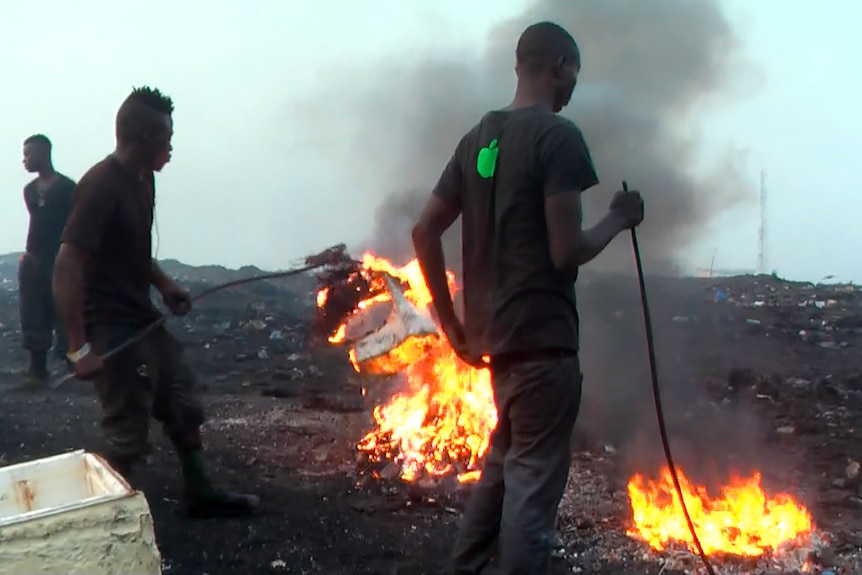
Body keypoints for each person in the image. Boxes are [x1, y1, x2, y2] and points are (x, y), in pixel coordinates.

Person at [411, 22, 645, 575]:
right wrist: (619, 217)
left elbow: (425, 232)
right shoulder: (557, 137)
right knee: (531, 500)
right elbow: (566, 252)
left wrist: (454, 327)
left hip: (500, 348)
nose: (570, 91)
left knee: (500, 471)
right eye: (572, 77)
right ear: (559, 65)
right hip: (544, 346)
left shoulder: (477, 139)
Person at [53, 86, 259, 518]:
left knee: (182, 401)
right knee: (127, 429)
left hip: (140, 314)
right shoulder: (100, 187)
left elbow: (133, 251)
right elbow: (67, 264)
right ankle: (98, 522)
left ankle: (201, 493)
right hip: (108, 326)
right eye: (166, 137)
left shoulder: (142, 181)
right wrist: (79, 348)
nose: (170, 146)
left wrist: (163, 285)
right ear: (144, 136)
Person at [19, 134, 75, 382]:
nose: (25, 160)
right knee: (32, 310)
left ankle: (72, 365)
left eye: (28, 154)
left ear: (44, 153)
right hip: (34, 259)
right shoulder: (29, 191)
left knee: (64, 309)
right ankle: (37, 368)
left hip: (59, 258)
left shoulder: (67, 189)